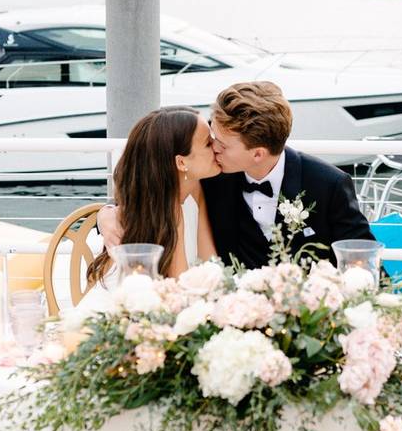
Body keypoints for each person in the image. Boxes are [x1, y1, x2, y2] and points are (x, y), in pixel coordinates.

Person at [97, 81, 374, 270]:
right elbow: (149, 187)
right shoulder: (210, 173)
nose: (213, 147)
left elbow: (363, 260)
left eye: (222, 144)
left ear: (257, 153)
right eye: (212, 136)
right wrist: (106, 213)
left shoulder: (328, 185)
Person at [87, 106, 220, 283]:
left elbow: (211, 264)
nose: (217, 146)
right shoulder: (169, 207)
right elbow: (178, 286)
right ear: (181, 162)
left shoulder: (193, 188)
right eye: (208, 143)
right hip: (134, 303)